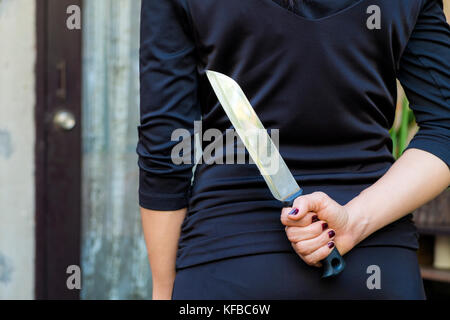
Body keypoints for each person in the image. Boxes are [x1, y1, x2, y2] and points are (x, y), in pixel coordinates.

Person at [137, 0, 450, 299]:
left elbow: (164, 149)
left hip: (230, 266)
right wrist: (354, 221)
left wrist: (164, 290)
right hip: (378, 267)